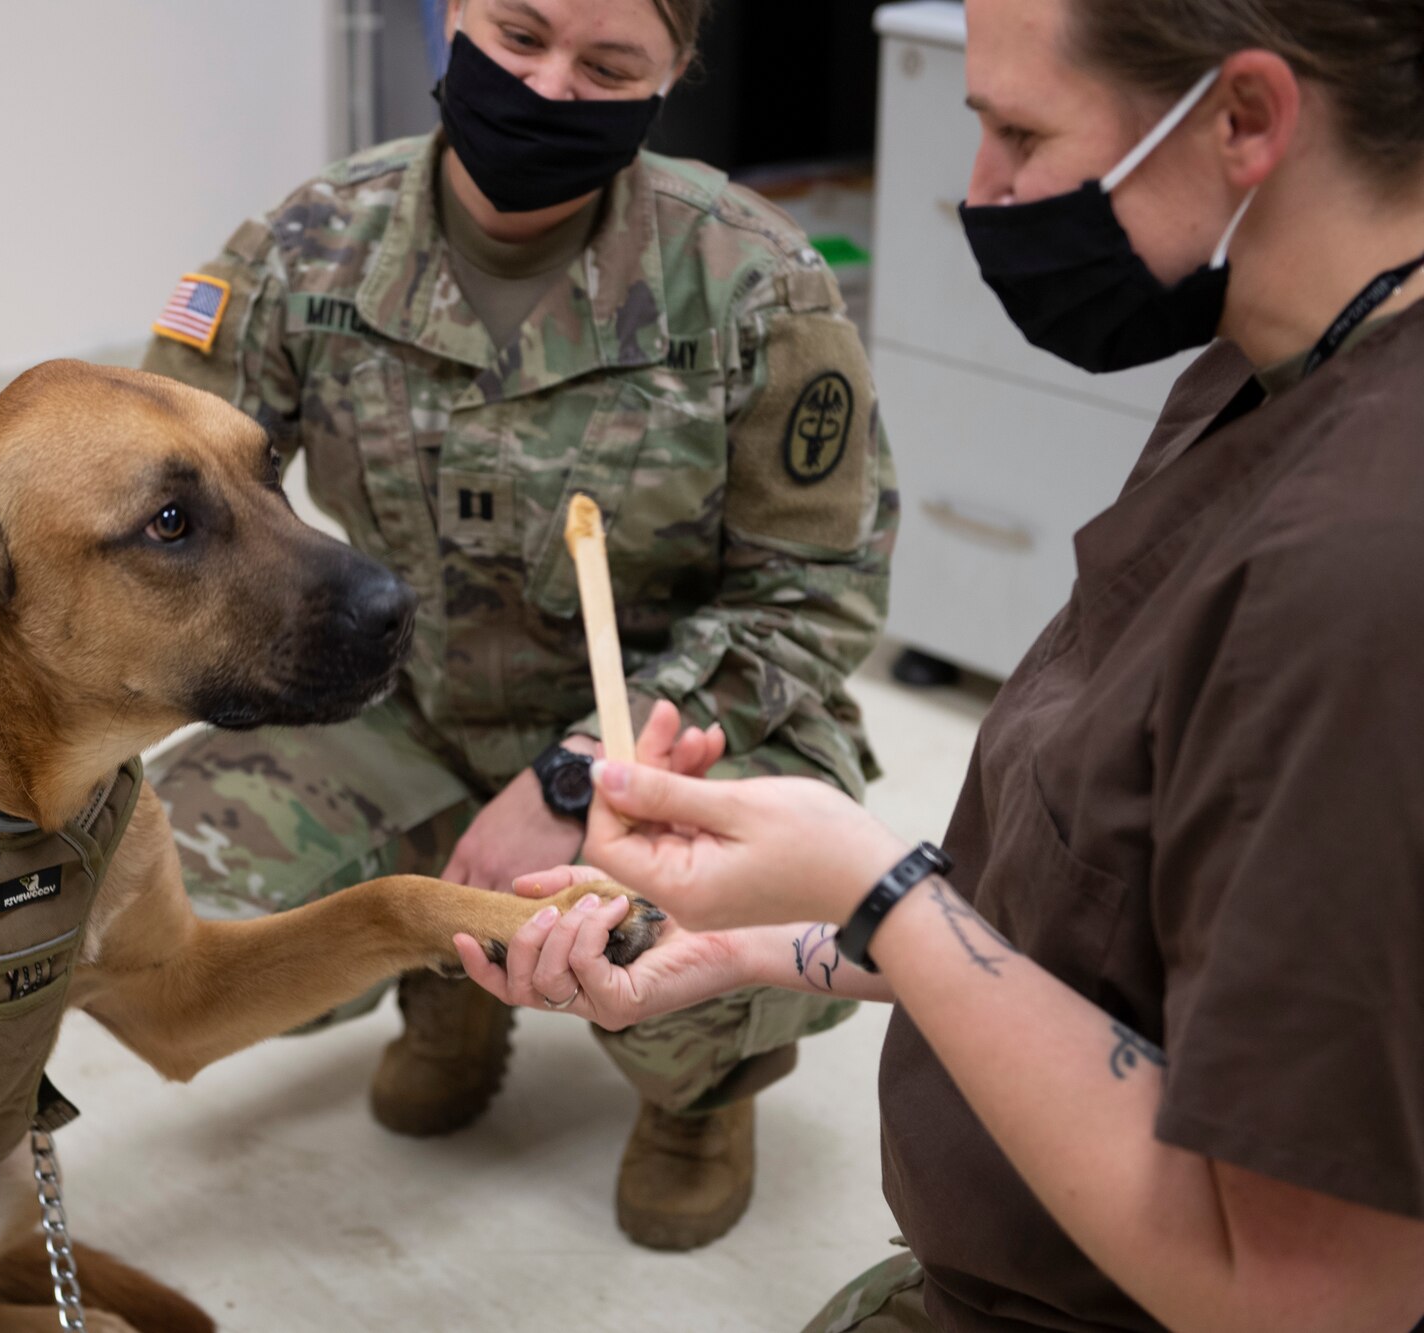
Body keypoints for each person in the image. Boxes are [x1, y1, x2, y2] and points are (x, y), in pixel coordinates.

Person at [457, 0, 1424, 1327]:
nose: (981, 195)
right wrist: (763, 937)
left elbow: (1308, 1297)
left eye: (1020, 132)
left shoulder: (1360, 572)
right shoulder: (1274, 366)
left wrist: (881, 882)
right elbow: (1114, 930)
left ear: (1244, 117)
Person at [139, 0, 898, 1251]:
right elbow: (166, 475)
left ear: (672, 76)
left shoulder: (754, 282)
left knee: (712, 923)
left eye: (607, 66)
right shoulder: (309, 247)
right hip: (402, 707)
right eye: (516, 35)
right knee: (170, 896)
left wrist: (575, 773)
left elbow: (813, 595)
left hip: (667, 743)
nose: (547, 88)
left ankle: (700, 1091)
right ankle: (447, 980)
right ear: (450, 18)